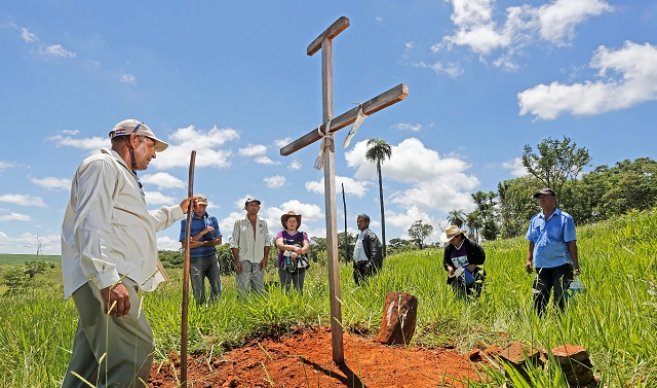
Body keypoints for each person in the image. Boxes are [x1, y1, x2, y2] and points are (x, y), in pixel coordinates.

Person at [61, 119, 193, 387]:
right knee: (135, 352)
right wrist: (108, 279)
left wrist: (179, 210)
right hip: (107, 278)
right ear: (134, 140)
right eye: (151, 146)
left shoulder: (125, 177)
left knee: (86, 371)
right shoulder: (102, 166)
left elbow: (141, 222)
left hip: (106, 278)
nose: (154, 154)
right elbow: (90, 222)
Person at [526, 188, 581, 317]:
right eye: (539, 197)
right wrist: (528, 259)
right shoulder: (535, 220)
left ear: (553, 198)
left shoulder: (565, 218)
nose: (541, 199)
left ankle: (561, 326)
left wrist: (575, 264)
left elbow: (571, 243)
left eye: (544, 196)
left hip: (561, 264)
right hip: (541, 265)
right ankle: (541, 326)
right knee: (539, 297)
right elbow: (532, 241)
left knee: (561, 297)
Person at [179, 194, 222, 305]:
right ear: (193, 207)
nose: (200, 209)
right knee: (199, 293)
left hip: (212, 257)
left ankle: (211, 310)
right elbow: (185, 244)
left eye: (203, 206)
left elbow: (218, 241)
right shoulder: (186, 222)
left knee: (218, 289)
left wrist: (199, 243)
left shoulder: (212, 220)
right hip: (195, 260)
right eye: (198, 206)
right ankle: (202, 315)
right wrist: (203, 232)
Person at [230, 197, 270, 295]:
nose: (254, 207)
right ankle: (242, 309)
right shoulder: (239, 222)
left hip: (259, 259)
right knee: (242, 289)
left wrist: (265, 258)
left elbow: (267, 242)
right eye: (251, 205)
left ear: (259, 208)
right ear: (246, 207)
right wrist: (237, 260)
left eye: (256, 205)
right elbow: (234, 242)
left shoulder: (263, 223)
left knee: (259, 289)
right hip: (243, 259)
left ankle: (257, 309)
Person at [442, 225, 486, 298]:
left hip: (472, 274)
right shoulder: (448, 248)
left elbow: (482, 256)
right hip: (457, 275)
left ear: (459, 236)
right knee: (460, 297)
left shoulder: (471, 245)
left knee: (474, 296)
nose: (451, 242)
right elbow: (446, 261)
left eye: (453, 240)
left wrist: (474, 264)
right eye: (449, 240)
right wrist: (449, 268)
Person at [275, 211, 310, 292]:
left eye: (294, 221)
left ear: (297, 223)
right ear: (286, 223)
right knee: (285, 288)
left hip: (300, 265)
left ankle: (299, 304)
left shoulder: (302, 234)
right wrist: (293, 249)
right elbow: (279, 245)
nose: (292, 223)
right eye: (290, 221)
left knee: (299, 289)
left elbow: (306, 247)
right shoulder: (281, 234)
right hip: (284, 265)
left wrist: (296, 253)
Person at [352, 214, 383, 285]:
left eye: (360, 221)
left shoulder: (370, 235)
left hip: (367, 267)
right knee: (360, 291)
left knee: (368, 289)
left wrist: (369, 266)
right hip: (358, 268)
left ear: (367, 222)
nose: (358, 223)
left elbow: (376, 252)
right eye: (357, 222)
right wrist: (355, 267)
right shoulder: (359, 236)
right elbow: (357, 252)